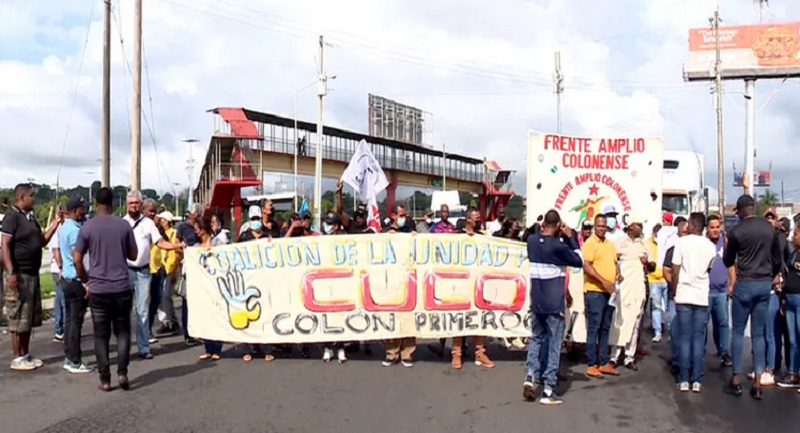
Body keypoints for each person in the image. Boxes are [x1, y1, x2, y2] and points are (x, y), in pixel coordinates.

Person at [74, 187, 138, 391]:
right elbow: (134, 255)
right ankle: (122, 372)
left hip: (99, 288)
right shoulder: (124, 225)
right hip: (121, 287)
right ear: (113, 203)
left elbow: (76, 258)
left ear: (96, 204)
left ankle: (105, 379)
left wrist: (86, 278)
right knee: (123, 332)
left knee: (101, 335)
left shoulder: (87, 227)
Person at [723, 195, 783, 400]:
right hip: (763, 283)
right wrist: (769, 275)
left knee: (738, 332)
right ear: (755, 208)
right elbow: (777, 259)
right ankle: (757, 380)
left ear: (740, 210)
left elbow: (728, 260)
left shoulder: (737, 231)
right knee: (758, 334)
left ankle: (737, 378)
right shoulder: (769, 228)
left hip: (745, 281)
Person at [523, 210, 582, 405]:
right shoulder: (558, 246)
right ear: (558, 226)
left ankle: (530, 377)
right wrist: (571, 237)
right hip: (554, 304)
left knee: (536, 340)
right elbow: (578, 259)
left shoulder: (532, 241)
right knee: (554, 346)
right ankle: (548, 390)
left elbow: (532, 234)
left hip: (537, 302)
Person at [1, 183, 62, 371]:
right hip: (18, 275)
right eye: (31, 195)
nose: (34, 198)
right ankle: (17, 356)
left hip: (32, 274)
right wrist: (11, 271)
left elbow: (42, 240)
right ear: (21, 197)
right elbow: (5, 245)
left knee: (28, 318)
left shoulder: (30, 218)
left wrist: (56, 223)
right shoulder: (12, 218)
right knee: (17, 316)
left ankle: (26, 354)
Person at [123, 193, 182, 360]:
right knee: (124, 311)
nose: (134, 205)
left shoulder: (148, 224)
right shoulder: (122, 223)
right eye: (131, 203)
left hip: (143, 272)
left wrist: (177, 246)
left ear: (140, 204)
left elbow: (160, 242)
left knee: (142, 310)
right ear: (127, 204)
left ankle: (143, 347)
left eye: (136, 202)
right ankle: (125, 348)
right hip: (126, 271)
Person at [670, 213, 717, 393]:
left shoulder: (681, 243)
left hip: (684, 294)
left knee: (684, 338)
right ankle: (696, 379)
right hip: (701, 296)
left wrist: (674, 290)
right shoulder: (710, 246)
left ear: (690, 224)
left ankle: (684, 379)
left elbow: (675, 269)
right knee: (698, 339)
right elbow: (709, 268)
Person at [451, 207, 495, 369]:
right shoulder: (456, 236)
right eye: (475, 217)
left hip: (479, 285)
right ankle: (456, 354)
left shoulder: (483, 237)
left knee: (479, 318)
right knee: (458, 319)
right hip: (460, 284)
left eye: (479, 217)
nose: (478, 220)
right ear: (468, 219)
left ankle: (480, 353)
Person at [582, 214, 621, 378]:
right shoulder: (589, 244)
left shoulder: (610, 245)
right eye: (599, 226)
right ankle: (592, 363)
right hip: (595, 292)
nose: (602, 228)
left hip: (609, 293)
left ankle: (604, 362)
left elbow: (615, 263)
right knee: (594, 328)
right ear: (594, 227)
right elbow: (587, 266)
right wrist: (604, 281)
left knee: (605, 328)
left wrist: (618, 274)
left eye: (604, 226)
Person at [612, 214, 653, 371]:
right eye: (637, 225)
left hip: (638, 288)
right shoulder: (619, 243)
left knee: (635, 322)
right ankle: (614, 356)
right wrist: (617, 273)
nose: (640, 228)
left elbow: (651, 267)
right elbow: (613, 261)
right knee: (620, 320)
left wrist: (647, 263)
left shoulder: (644, 244)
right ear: (630, 226)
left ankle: (629, 356)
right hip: (623, 287)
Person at [58, 195, 93, 374]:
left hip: (67, 278)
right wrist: (86, 282)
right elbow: (78, 259)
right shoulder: (74, 231)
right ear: (74, 210)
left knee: (70, 321)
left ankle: (69, 356)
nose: (84, 210)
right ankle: (74, 360)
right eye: (82, 208)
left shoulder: (66, 227)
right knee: (75, 322)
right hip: (76, 280)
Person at [238, 205, 277, 362]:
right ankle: (248, 348)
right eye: (253, 219)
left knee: (265, 314)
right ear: (249, 220)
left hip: (264, 281)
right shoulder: (244, 237)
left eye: (258, 219)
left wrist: (271, 244)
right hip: (248, 281)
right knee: (248, 313)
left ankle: (267, 348)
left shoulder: (268, 236)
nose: (256, 221)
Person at [381, 202, 417, 367]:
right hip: (391, 279)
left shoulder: (410, 230)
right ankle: (392, 352)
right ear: (393, 216)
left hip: (409, 279)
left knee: (409, 316)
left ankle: (407, 353)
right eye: (401, 215)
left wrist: (416, 237)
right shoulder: (385, 233)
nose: (404, 218)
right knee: (391, 316)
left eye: (405, 215)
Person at [196, 214, 227, 361]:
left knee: (216, 315)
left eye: (198, 229)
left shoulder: (218, 243)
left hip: (216, 285)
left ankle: (217, 348)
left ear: (204, 229)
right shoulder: (195, 247)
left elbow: (225, 260)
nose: (196, 232)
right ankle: (208, 348)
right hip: (202, 287)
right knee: (205, 317)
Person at [320, 211, 348, 363]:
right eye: (326, 223)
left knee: (339, 316)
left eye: (330, 224)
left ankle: (341, 347)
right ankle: (327, 347)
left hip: (340, 282)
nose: (327, 226)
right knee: (325, 315)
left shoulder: (344, 240)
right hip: (323, 282)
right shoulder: (319, 240)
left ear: (336, 226)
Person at [707, 214, 734, 367]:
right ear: (707, 229)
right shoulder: (703, 243)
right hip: (706, 291)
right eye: (712, 228)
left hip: (722, 290)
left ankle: (724, 352)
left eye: (717, 227)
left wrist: (732, 283)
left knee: (723, 323)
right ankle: (700, 353)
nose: (715, 230)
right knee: (704, 324)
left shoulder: (726, 243)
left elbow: (731, 264)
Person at [663, 217, 688, 373]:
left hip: (691, 296)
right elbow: (665, 270)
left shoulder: (697, 249)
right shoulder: (672, 250)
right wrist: (675, 285)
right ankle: (677, 359)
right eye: (683, 232)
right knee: (675, 328)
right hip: (675, 296)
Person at [778, 225, 800, 389]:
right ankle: (793, 373)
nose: (793, 236)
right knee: (792, 340)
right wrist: (784, 300)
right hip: (790, 299)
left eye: (796, 234)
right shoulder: (793, 253)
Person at [153, 211, 181, 336]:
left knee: (166, 296)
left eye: (163, 220)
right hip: (161, 268)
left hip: (169, 269)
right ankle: (166, 322)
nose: (162, 222)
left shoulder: (174, 234)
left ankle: (173, 321)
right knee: (160, 298)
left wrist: (172, 269)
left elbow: (176, 253)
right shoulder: (160, 234)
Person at [647, 224, 671, 343]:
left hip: (667, 279)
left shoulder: (667, 243)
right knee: (655, 307)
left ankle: (671, 332)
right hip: (653, 279)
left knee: (669, 307)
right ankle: (657, 332)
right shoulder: (648, 243)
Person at [47, 214, 65, 343]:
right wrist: (61, 268)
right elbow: (55, 250)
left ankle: (59, 330)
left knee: (58, 300)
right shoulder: (56, 229)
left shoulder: (60, 228)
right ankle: (63, 329)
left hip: (57, 269)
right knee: (64, 301)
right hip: (57, 269)